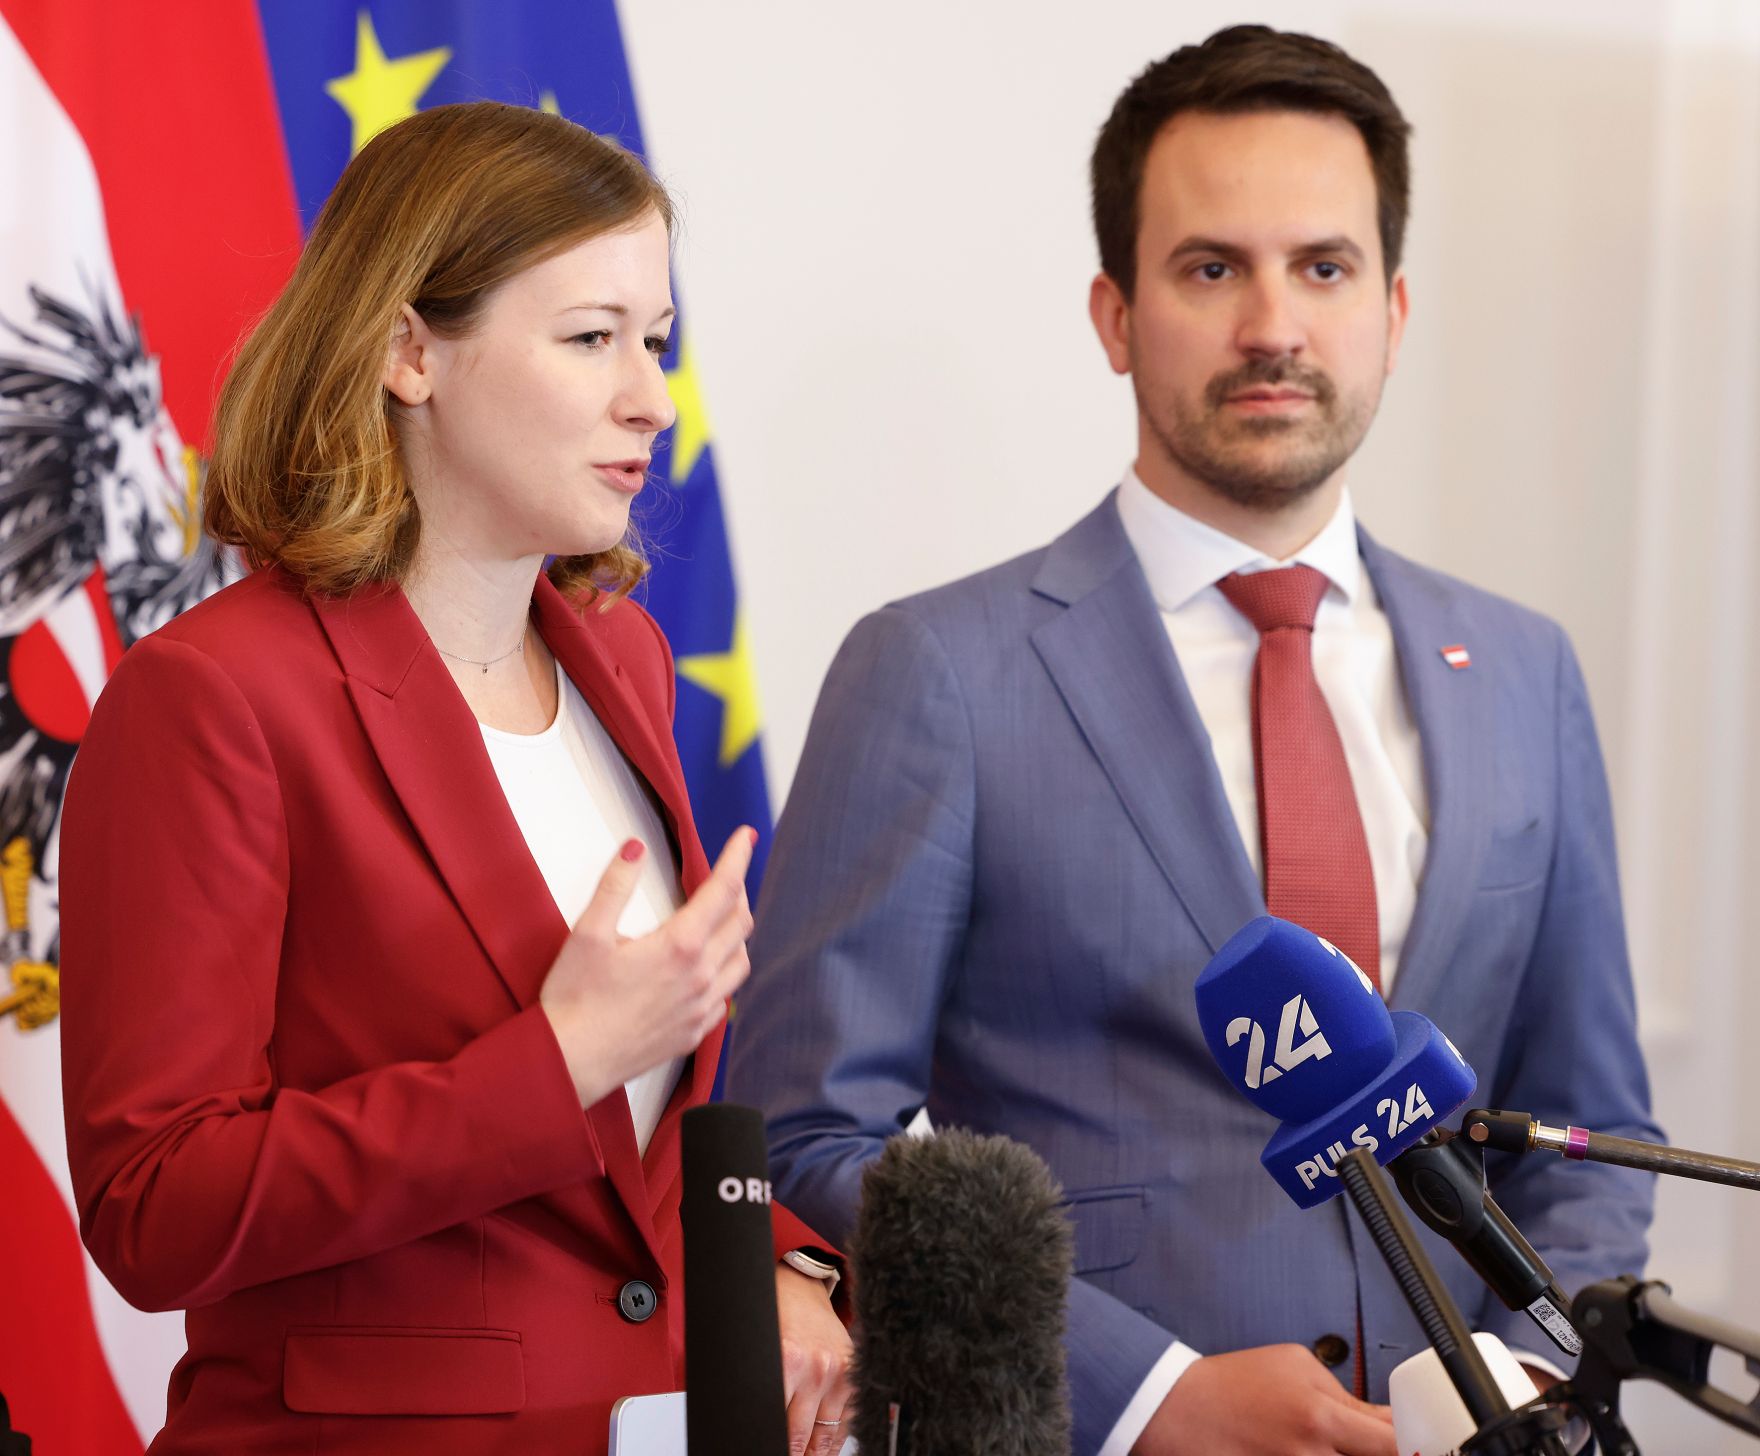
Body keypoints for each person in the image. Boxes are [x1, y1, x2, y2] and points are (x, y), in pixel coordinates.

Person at [729, 25, 1659, 1456]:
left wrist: (1525, 1369)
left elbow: (1591, 1120)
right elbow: (807, 1136)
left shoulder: (1523, 666)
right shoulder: (937, 671)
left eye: (1324, 268)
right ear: (1113, 315)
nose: (1273, 325)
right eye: (1211, 267)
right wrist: (1150, 1396)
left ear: (1396, 311)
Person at [58, 101, 851, 1456]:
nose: (652, 398)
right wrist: (558, 1061)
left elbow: (630, 1160)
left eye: (655, 341)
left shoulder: (626, 659)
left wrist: (779, 1257)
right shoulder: (212, 699)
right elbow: (157, 1208)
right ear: (410, 351)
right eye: (592, 337)